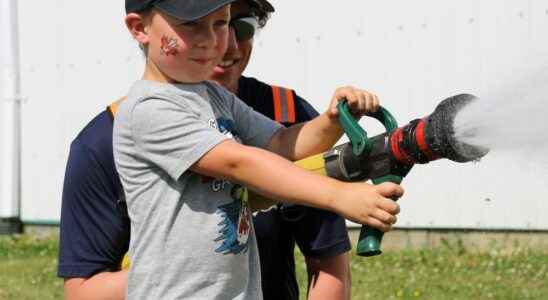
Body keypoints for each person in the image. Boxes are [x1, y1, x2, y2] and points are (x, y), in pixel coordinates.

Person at [113, 0, 403, 298]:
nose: (212, 40)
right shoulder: (148, 110)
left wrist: (333, 120)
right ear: (139, 28)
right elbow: (240, 163)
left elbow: (280, 144)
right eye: (191, 24)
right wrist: (338, 195)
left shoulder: (213, 96)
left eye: (220, 23)